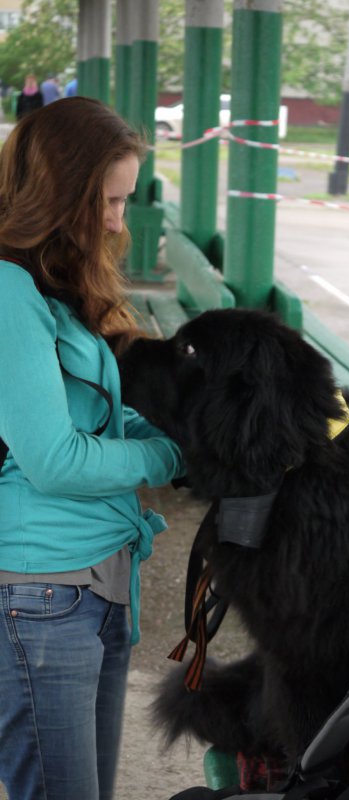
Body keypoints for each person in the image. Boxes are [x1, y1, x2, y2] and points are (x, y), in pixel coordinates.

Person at [0, 97, 184, 800]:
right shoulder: (7, 290)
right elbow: (55, 458)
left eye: (125, 202)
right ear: (58, 192)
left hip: (98, 585)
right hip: (42, 591)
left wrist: (180, 436)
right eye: (106, 201)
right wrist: (170, 458)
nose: (116, 222)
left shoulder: (55, 282)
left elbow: (101, 426)